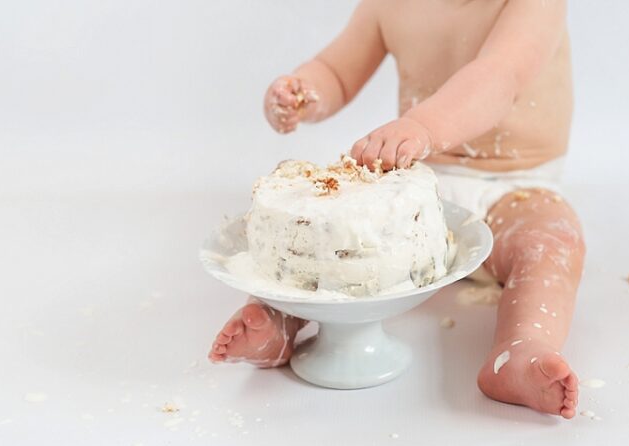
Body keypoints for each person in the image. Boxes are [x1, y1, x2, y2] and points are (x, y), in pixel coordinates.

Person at [209, 0, 583, 419]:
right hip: (419, 185)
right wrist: (303, 91)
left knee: (552, 242)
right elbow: (337, 70)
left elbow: (500, 75)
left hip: (516, 184)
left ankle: (522, 348)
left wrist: (423, 127)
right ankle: (276, 323)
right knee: (328, 232)